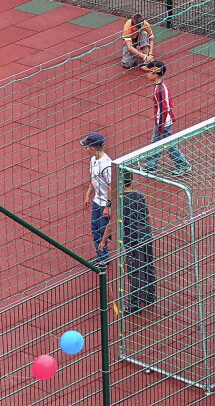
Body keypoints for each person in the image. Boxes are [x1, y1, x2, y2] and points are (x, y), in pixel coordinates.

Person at [100, 172, 157, 314]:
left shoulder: (119, 201)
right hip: (146, 235)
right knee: (148, 266)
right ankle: (150, 296)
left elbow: (111, 225)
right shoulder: (139, 195)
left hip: (133, 239)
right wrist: (150, 232)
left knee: (135, 271)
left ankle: (134, 305)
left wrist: (103, 241)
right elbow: (148, 216)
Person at [143, 61, 192, 175]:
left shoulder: (159, 90)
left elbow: (164, 108)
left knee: (168, 145)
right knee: (156, 143)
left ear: (155, 74)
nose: (147, 75)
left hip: (163, 122)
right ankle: (151, 166)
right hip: (162, 121)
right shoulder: (159, 87)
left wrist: (160, 125)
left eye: (149, 72)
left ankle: (183, 165)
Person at [82, 131, 112, 263]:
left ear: (93, 148)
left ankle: (104, 256)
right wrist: (88, 194)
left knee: (104, 230)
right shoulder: (93, 160)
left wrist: (108, 206)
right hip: (97, 201)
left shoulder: (107, 165)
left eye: (87, 146)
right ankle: (102, 257)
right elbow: (94, 179)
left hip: (105, 202)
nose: (86, 148)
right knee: (96, 229)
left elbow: (112, 187)